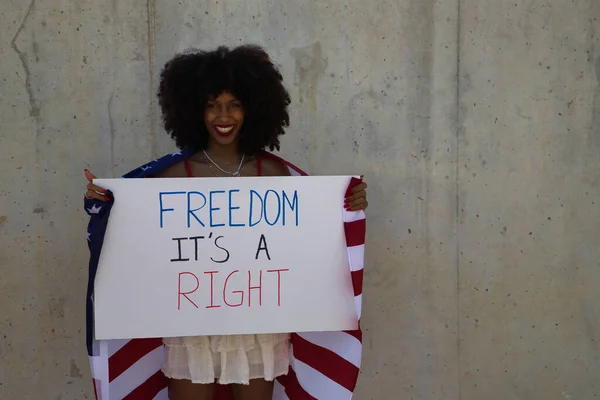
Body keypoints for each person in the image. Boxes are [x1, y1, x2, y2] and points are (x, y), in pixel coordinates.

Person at [84, 44, 368, 400]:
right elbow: (130, 230)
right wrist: (104, 205)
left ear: (252, 108)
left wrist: (348, 206)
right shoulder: (169, 177)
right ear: (193, 110)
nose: (224, 115)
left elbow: (315, 232)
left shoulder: (276, 174)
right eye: (212, 105)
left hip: (259, 327)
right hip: (190, 328)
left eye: (234, 104)